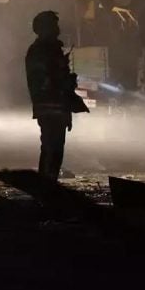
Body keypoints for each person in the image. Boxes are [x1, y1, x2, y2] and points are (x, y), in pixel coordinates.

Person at [25, 11, 89, 180]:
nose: (57, 29)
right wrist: (64, 76)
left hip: (54, 108)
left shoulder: (44, 49)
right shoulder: (42, 50)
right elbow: (47, 80)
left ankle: (47, 184)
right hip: (51, 108)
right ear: (45, 28)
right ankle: (46, 186)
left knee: (54, 150)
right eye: (53, 25)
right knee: (51, 150)